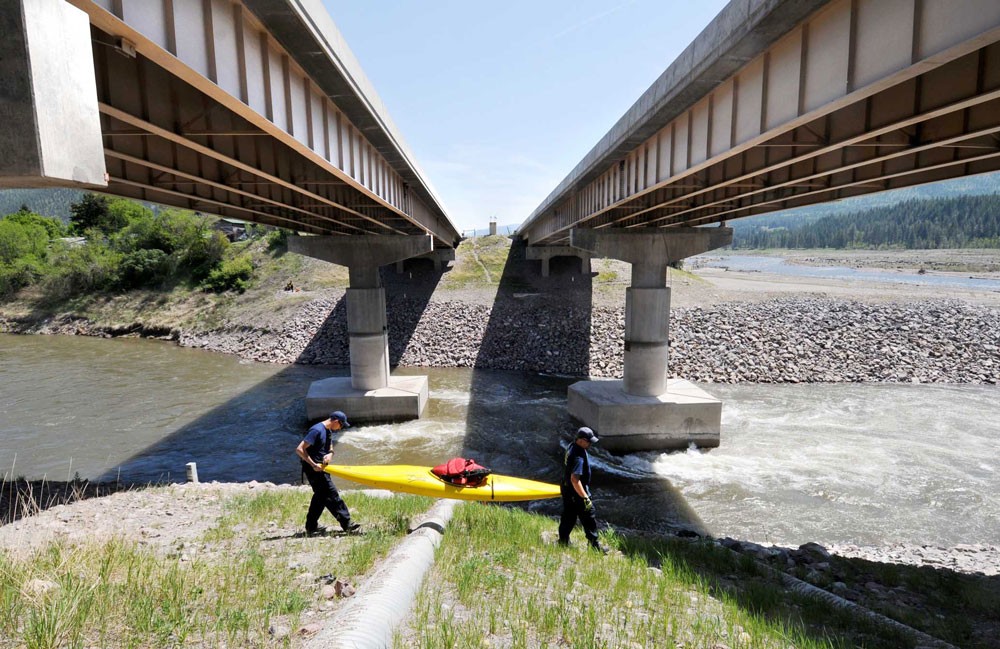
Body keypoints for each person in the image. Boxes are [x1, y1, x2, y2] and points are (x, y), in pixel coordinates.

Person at [295, 410, 361, 536]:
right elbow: (299, 449)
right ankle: (347, 524)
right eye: (341, 425)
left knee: (320, 497)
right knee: (332, 495)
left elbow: (329, 445)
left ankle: (311, 526)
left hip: (322, 468)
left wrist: (330, 454)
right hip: (314, 469)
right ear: (336, 421)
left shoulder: (328, 430)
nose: (340, 428)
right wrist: (313, 464)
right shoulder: (317, 430)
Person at [558, 426, 606, 553]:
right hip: (576, 491)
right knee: (589, 516)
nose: (590, 444)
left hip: (566, 488)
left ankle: (563, 541)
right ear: (581, 440)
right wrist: (585, 497)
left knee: (569, 516)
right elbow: (575, 479)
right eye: (588, 441)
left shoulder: (571, 446)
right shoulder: (578, 456)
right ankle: (594, 547)